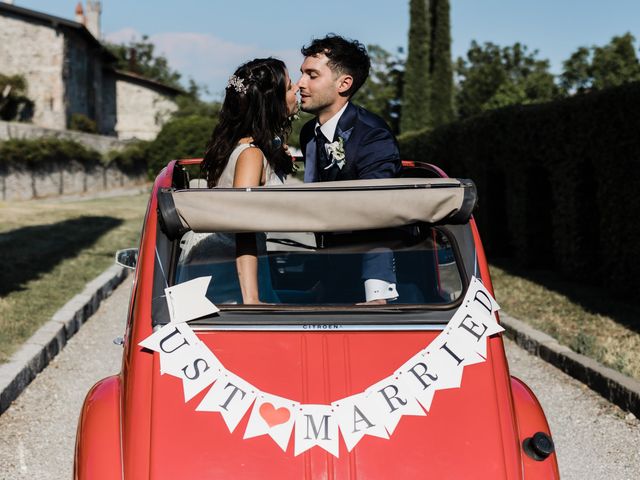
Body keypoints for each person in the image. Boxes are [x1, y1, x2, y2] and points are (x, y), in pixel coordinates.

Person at [298, 35, 401, 303]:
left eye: (312, 75)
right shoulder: (309, 132)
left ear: (344, 83)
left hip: (368, 280)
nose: (300, 84)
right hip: (330, 271)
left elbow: (379, 213)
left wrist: (376, 291)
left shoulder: (373, 136)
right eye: (302, 74)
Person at [194, 58, 299, 304]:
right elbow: (244, 227)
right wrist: (251, 300)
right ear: (272, 102)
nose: (298, 90)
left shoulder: (237, 146)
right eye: (290, 87)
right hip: (232, 273)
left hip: (234, 262)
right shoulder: (251, 155)